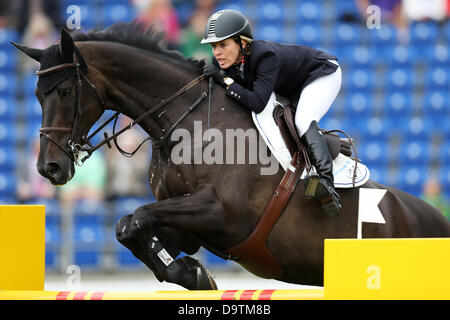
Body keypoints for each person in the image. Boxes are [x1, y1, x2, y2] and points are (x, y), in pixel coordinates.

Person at [200, 10, 342, 216]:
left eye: (223, 45)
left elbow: (257, 103)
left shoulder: (265, 56)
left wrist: (226, 81)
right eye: (214, 46)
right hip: (290, 87)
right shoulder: (223, 63)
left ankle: (327, 182)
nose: (217, 53)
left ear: (243, 43)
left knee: (303, 120)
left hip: (321, 74)